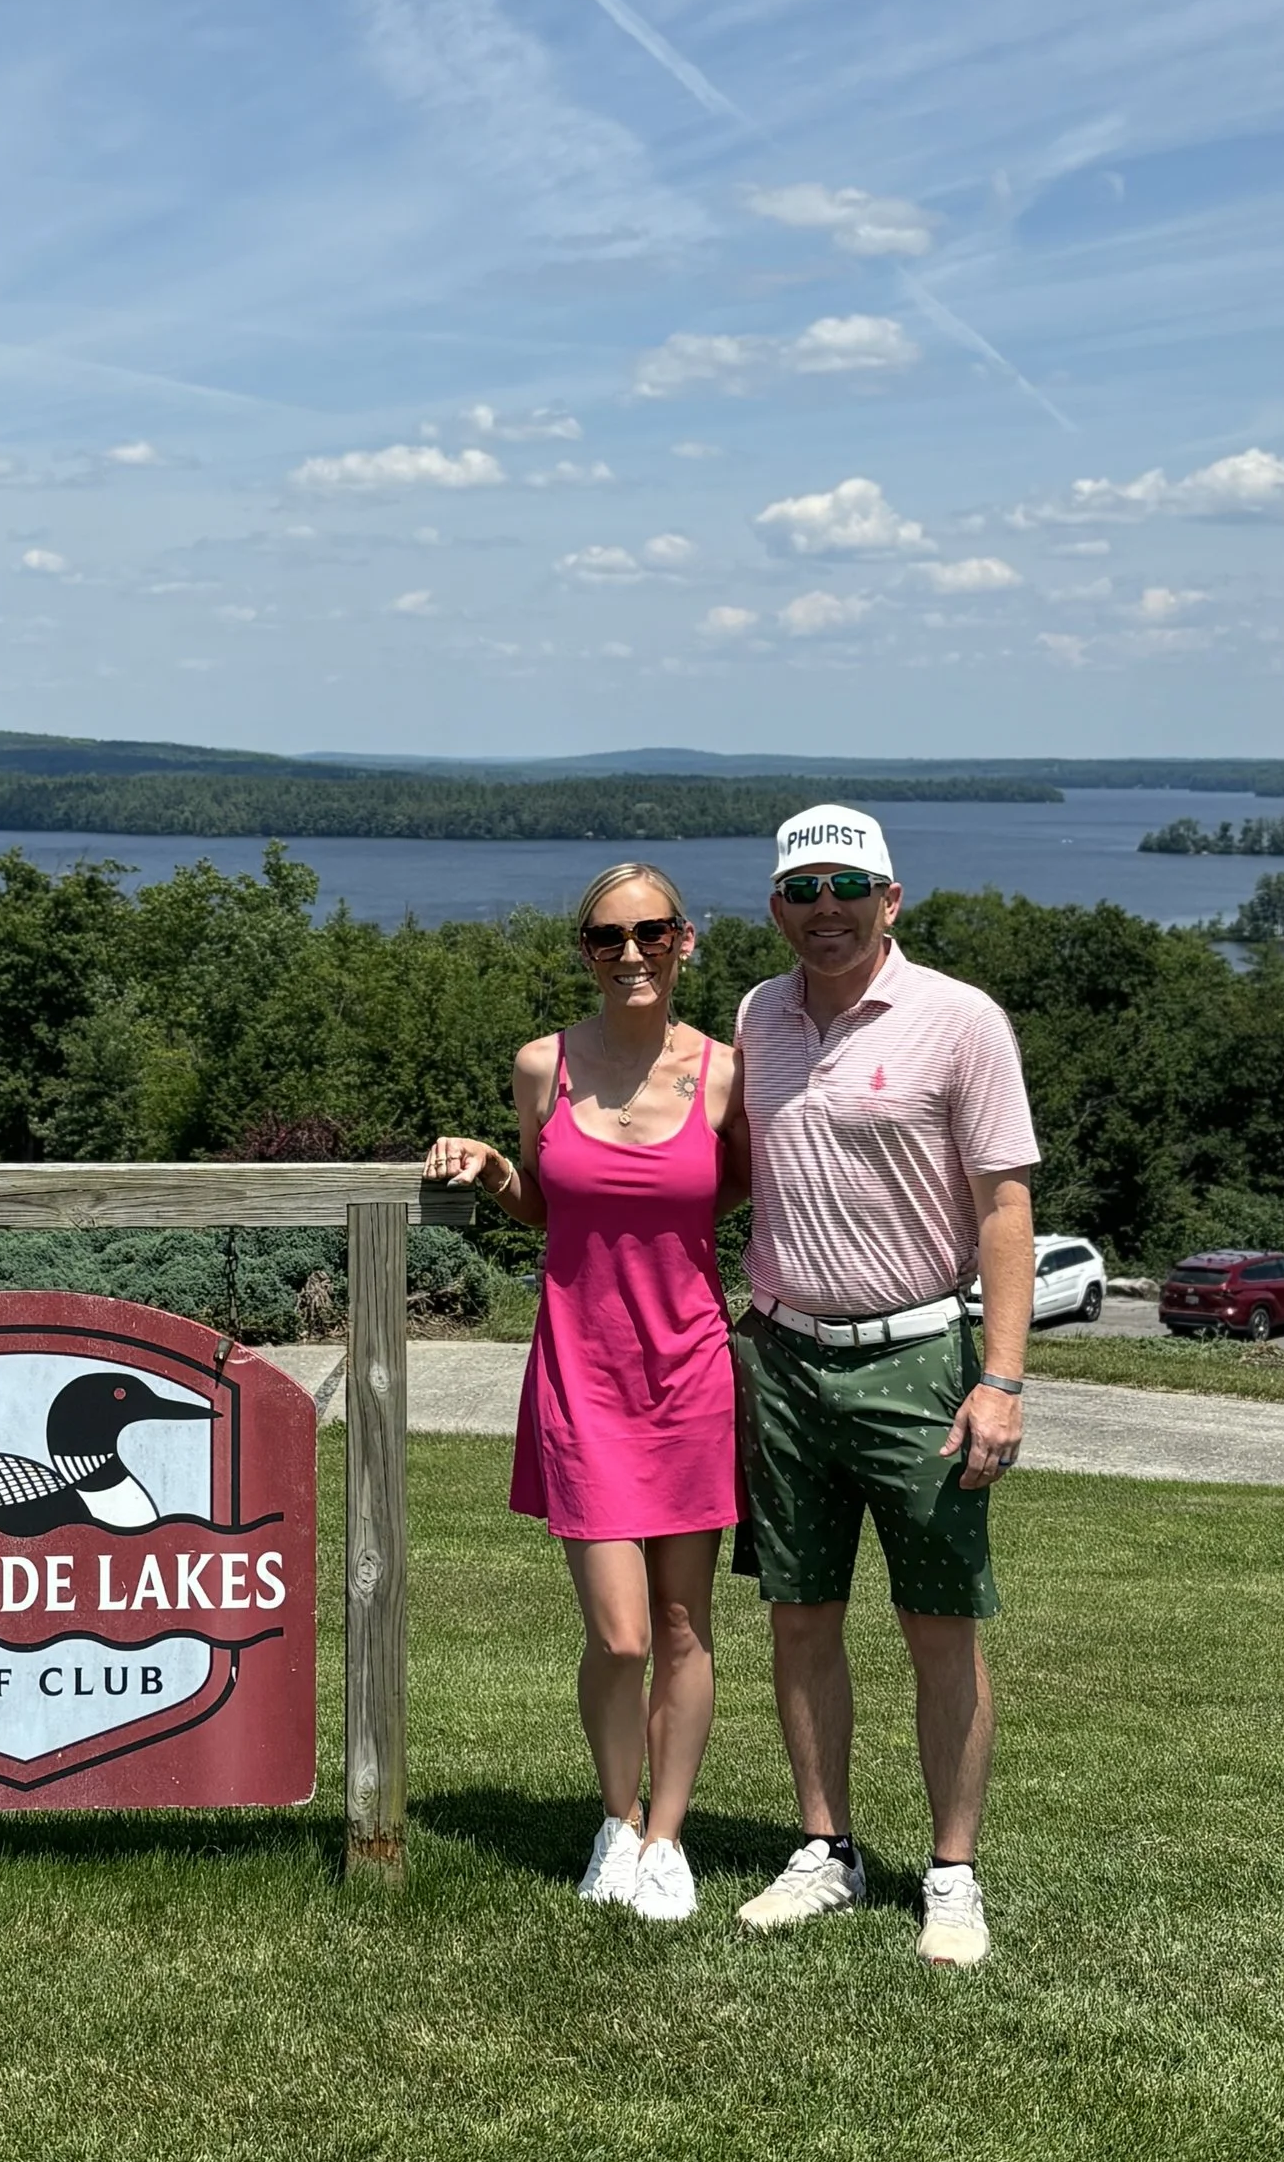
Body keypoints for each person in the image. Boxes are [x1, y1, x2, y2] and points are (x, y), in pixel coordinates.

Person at [720, 803, 1038, 1966]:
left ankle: (951, 1875)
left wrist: (999, 1380)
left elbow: (1006, 1206)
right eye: (802, 893)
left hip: (920, 1357)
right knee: (798, 1617)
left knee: (938, 1624)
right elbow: (716, 1169)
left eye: (847, 888)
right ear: (776, 910)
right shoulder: (757, 1017)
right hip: (784, 1356)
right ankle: (826, 1850)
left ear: (890, 900)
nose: (826, 912)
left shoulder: (960, 1020)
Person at [424, 862, 742, 1924]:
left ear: (685, 941)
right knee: (620, 1635)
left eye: (651, 932)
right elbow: (540, 1207)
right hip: (581, 1372)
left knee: (685, 1625)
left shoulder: (727, 1075)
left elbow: (733, 1190)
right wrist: (486, 1166)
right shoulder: (542, 1068)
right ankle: (615, 1819)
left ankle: (665, 1840)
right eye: (607, 938)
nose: (631, 953)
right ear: (585, 953)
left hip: (690, 1371)